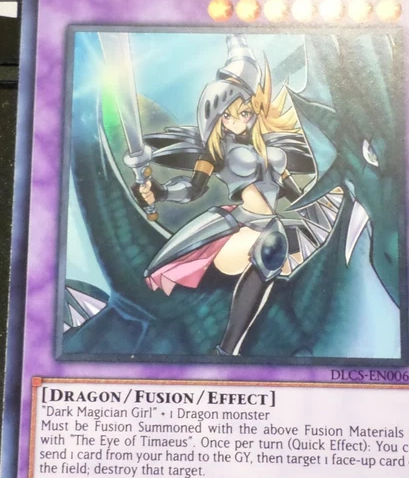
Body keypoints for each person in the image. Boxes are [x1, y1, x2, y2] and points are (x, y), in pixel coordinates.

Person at [134, 35, 315, 356]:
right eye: (228, 115)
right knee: (271, 248)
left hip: (272, 222)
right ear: (216, 118)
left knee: (279, 246)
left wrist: (313, 207)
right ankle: (227, 351)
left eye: (244, 113)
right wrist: (159, 192)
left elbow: (290, 189)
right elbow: (193, 188)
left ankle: (233, 349)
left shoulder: (268, 147)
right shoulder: (215, 152)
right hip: (241, 224)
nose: (237, 121)